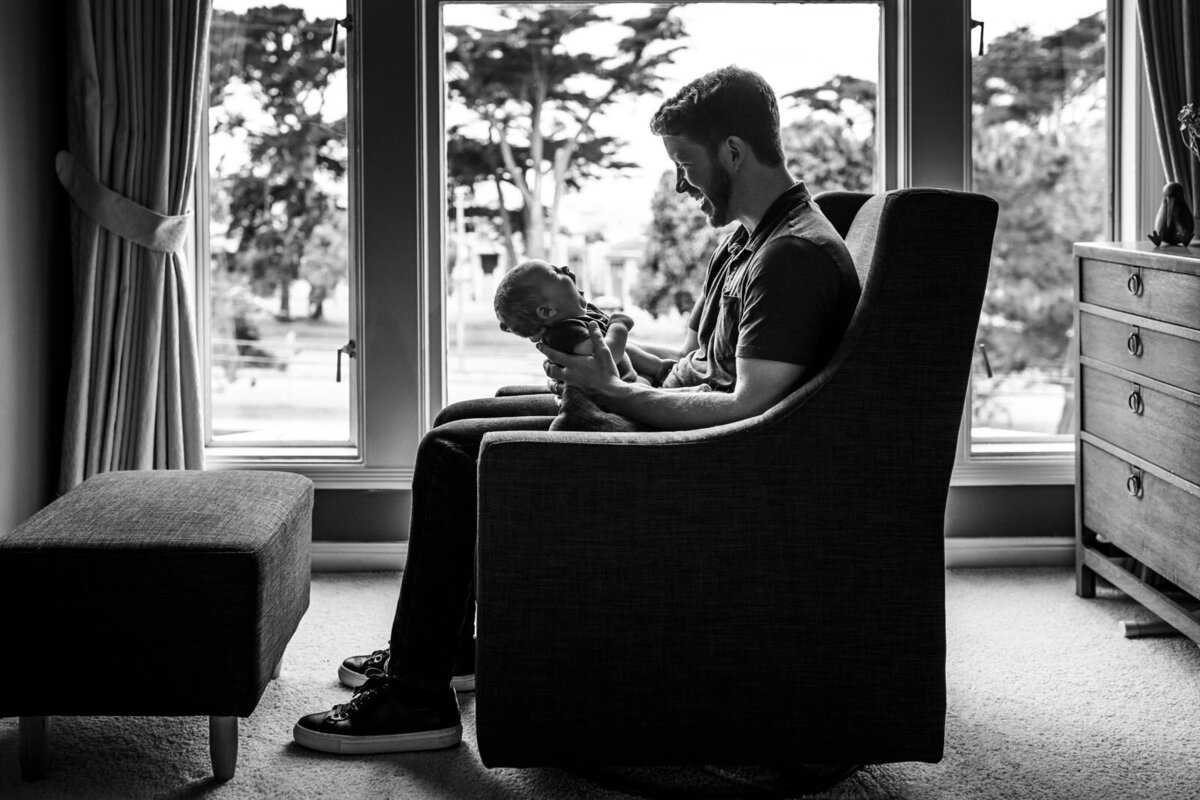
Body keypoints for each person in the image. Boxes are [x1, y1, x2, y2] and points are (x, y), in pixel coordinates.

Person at [292, 64, 862, 755]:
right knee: (454, 420)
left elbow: (751, 408)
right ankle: (442, 651)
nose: (680, 182)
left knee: (447, 456)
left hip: (711, 465)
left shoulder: (792, 255)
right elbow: (692, 366)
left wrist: (617, 392)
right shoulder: (745, 241)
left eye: (685, 163)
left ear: (734, 153)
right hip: (680, 423)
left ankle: (416, 700)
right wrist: (602, 352)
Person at [492, 258, 653, 385]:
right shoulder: (564, 334)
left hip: (626, 383)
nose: (565, 269)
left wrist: (658, 366)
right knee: (646, 386)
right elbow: (607, 357)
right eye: (556, 273)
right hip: (612, 399)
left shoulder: (585, 315)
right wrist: (619, 327)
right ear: (547, 311)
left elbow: (628, 351)